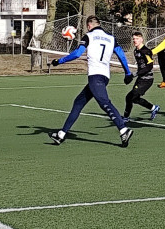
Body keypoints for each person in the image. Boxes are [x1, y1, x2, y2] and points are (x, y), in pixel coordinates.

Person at [47, 16, 134, 147]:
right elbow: (121, 55)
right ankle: (61, 134)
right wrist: (127, 72)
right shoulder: (111, 38)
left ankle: (123, 129)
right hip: (105, 76)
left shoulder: (89, 36)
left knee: (105, 103)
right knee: (78, 103)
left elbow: (77, 54)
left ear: (89, 26)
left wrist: (59, 61)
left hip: (95, 76)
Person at [124, 31, 161, 121]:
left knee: (131, 97)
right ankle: (153, 108)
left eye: (137, 39)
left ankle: (125, 118)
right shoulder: (136, 51)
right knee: (132, 98)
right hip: (141, 79)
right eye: (133, 39)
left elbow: (150, 66)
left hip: (147, 79)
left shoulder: (146, 51)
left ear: (142, 39)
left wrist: (136, 74)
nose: (135, 40)